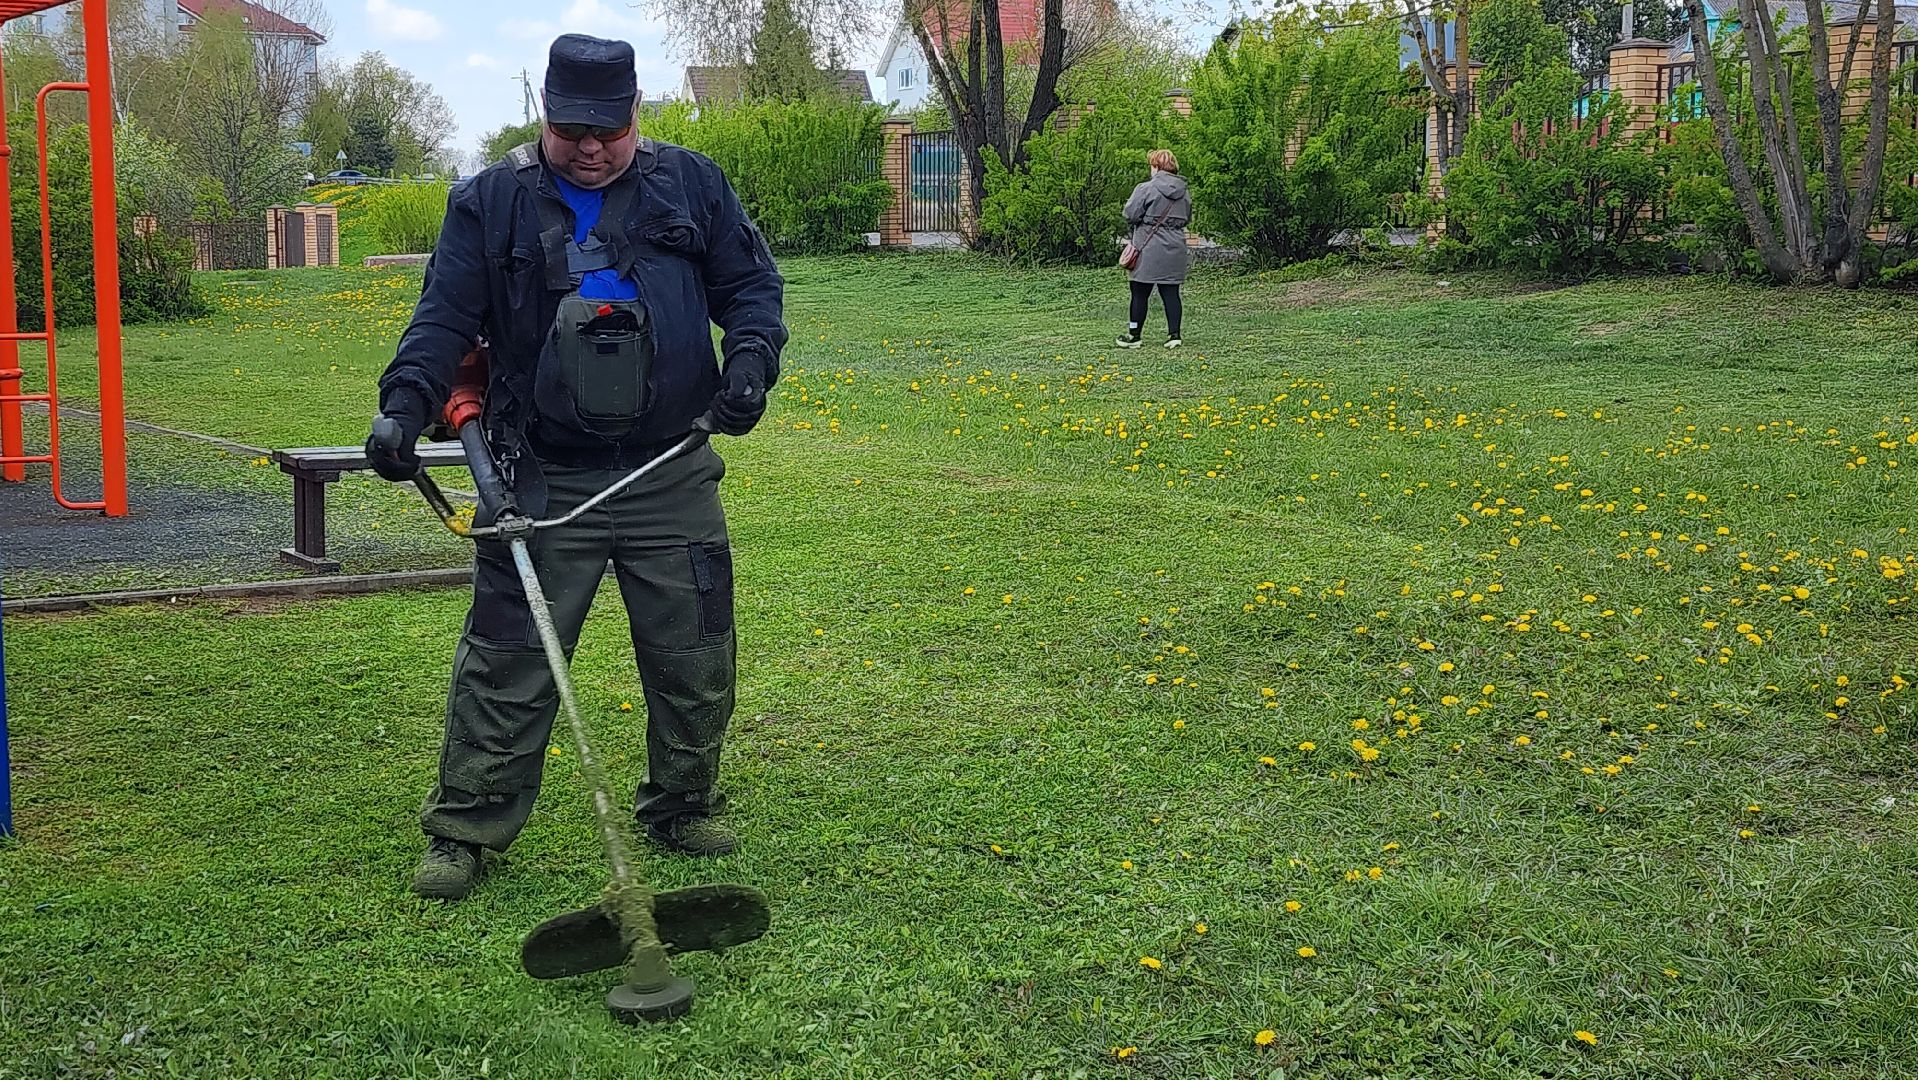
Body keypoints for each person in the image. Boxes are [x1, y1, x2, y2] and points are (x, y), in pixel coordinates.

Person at [365, 33, 787, 901]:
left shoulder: (694, 185)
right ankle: (467, 827)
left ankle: (681, 802)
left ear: (638, 112)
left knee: (695, 646)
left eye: (607, 129)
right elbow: (443, 319)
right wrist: (404, 406)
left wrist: (749, 360)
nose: (590, 148)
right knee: (508, 655)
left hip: (669, 466)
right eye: (570, 130)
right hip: (539, 473)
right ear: (543, 114)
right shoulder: (489, 201)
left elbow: (751, 289)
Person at [1117, 149, 1190, 350]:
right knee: (1171, 291)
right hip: (1175, 245)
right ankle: (1174, 335)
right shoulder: (1184, 191)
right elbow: (1187, 217)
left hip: (1147, 246)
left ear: (1156, 167)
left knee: (1139, 291)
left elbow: (1130, 213)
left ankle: (1134, 334)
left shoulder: (1145, 188)